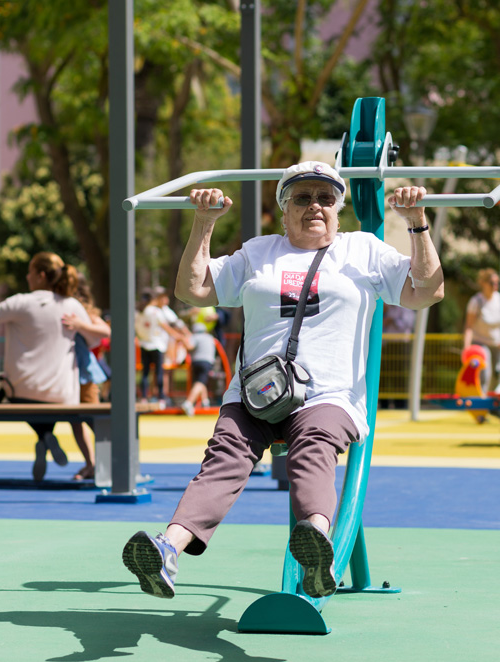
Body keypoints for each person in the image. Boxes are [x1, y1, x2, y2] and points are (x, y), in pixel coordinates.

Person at [120, 160, 443, 600]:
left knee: (312, 448)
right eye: (303, 198)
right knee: (224, 458)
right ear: (283, 209)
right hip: (257, 391)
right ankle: (167, 551)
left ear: (339, 208)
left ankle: (315, 545)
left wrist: (417, 224)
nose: (315, 206)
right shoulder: (258, 251)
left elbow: (427, 291)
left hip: (328, 394)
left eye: (326, 198)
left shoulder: (363, 250)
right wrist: (203, 223)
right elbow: (192, 290)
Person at [0, 252, 99, 481]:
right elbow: (92, 341)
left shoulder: (21, 302)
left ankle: (44, 436)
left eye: (31, 272)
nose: (27, 276)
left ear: (41, 276)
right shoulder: (71, 305)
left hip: (23, 391)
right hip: (63, 395)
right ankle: (47, 437)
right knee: (56, 404)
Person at [61, 275, 111, 480]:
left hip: (85, 372)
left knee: (93, 418)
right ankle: (90, 463)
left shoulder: (83, 311)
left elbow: (105, 330)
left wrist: (80, 324)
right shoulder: (61, 306)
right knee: (75, 420)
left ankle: (107, 463)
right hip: (66, 371)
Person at [462, 268, 500, 391]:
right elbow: (469, 327)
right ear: (483, 283)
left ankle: (497, 405)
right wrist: (466, 348)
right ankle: (482, 403)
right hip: (480, 343)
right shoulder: (476, 302)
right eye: (492, 283)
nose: (495, 285)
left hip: (497, 344)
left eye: (497, 283)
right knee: (485, 374)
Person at [136, 286, 185, 410]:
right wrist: (178, 336)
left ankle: (143, 397)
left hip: (144, 344)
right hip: (157, 345)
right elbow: (165, 327)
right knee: (158, 372)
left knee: (145, 373)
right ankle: (161, 397)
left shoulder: (139, 312)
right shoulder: (155, 312)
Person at [180, 322, 217, 416]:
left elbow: (190, 347)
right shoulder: (210, 338)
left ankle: (204, 403)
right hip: (207, 362)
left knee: (199, 382)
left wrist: (183, 339)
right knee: (201, 382)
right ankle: (189, 403)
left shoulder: (195, 337)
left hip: (196, 361)